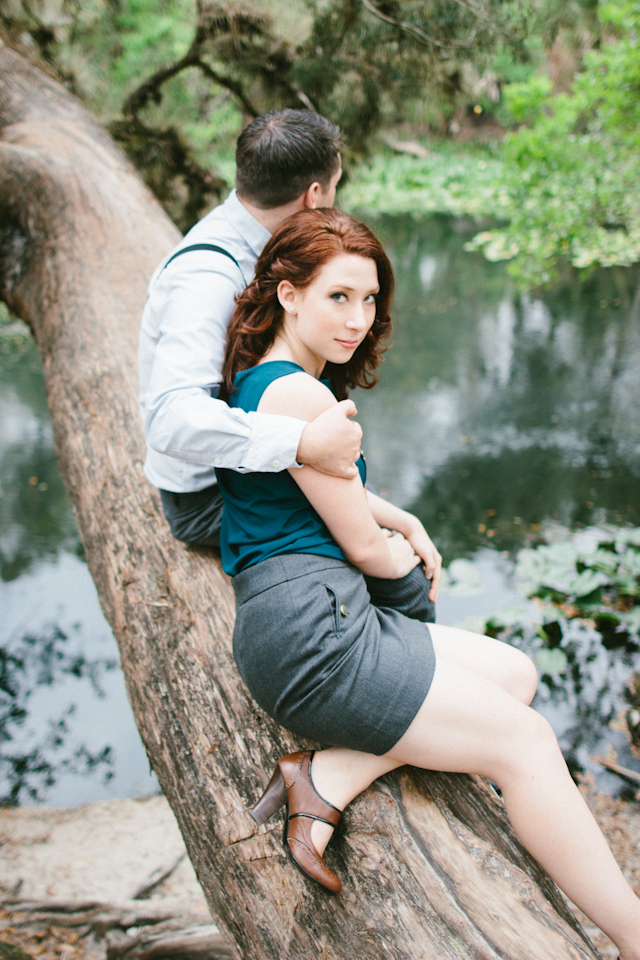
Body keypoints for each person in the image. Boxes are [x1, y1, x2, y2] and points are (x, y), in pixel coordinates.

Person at [216, 206, 640, 959]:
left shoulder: (263, 385)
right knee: (527, 744)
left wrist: (402, 518)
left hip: (303, 619)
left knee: (514, 673)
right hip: (314, 638)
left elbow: (318, 492)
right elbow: (362, 548)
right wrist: (408, 573)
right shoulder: (300, 397)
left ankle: (325, 774)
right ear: (288, 295)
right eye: (338, 297)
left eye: (370, 299)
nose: (358, 319)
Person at [138, 108, 440, 598]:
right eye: (336, 186)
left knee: (376, 534)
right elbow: (169, 419)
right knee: (392, 572)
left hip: (240, 469)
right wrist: (301, 443)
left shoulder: (258, 242)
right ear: (314, 194)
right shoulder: (210, 275)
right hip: (205, 498)